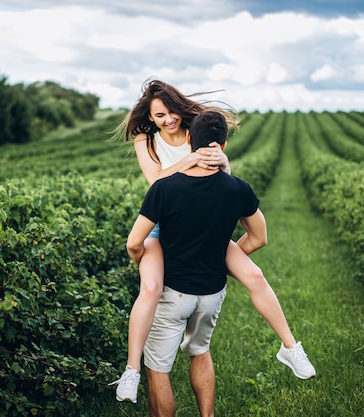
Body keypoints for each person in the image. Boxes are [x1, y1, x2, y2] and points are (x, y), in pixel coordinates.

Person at [110, 80, 315, 404]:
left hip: (205, 223)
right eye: (159, 115)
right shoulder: (145, 140)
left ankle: (291, 348)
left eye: (171, 112)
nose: (168, 120)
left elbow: (223, 173)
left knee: (255, 276)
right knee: (150, 288)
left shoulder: (197, 128)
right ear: (150, 117)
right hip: (163, 222)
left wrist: (217, 251)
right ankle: (132, 371)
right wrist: (192, 161)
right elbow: (156, 183)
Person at [126, 110, 266, 416]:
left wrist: (142, 260)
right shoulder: (237, 187)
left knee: (158, 370)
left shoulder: (164, 188)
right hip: (212, 293)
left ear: (189, 139)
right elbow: (259, 238)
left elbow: (134, 242)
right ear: (223, 145)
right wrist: (221, 256)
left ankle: (131, 370)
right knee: (200, 351)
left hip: (174, 290)